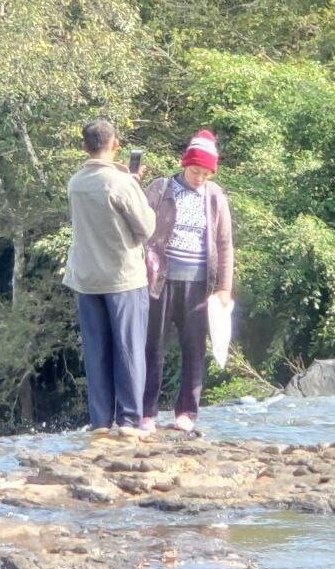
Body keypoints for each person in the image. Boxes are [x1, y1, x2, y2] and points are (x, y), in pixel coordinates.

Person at [63, 118, 156, 437]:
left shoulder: (75, 182)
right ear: (115, 145)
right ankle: (130, 421)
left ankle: (100, 421)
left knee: (97, 351)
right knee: (129, 349)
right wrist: (135, 184)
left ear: (84, 147)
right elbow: (146, 227)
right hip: (122, 277)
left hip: (86, 279)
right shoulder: (121, 183)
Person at [141, 129, 234, 433]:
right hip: (159, 280)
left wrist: (224, 288)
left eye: (206, 173)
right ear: (185, 165)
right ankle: (147, 413)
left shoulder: (215, 196)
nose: (199, 177)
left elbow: (224, 243)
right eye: (195, 170)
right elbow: (139, 228)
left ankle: (187, 413)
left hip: (197, 285)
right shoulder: (161, 188)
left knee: (194, 349)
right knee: (152, 346)